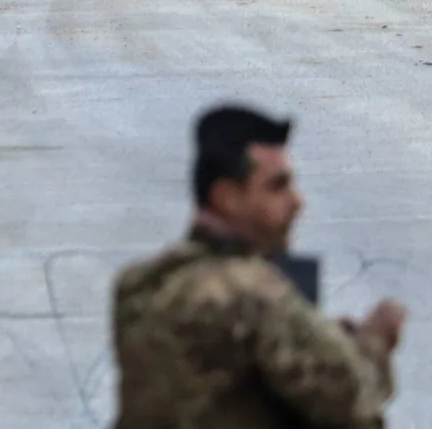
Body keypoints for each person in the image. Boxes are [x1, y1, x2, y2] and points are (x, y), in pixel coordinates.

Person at [111, 105, 406, 429]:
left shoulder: (140, 283)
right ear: (227, 197)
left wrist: (321, 336)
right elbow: (350, 397)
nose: (296, 201)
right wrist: (374, 343)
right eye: (277, 186)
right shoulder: (255, 293)